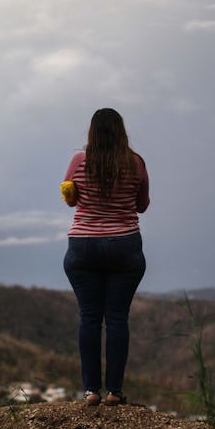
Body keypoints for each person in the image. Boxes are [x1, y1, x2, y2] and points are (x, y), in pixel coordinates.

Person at [61, 108, 150, 406]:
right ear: (121, 131)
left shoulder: (78, 160)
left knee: (89, 317)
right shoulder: (136, 162)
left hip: (83, 245)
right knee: (116, 318)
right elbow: (142, 205)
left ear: (92, 132)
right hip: (124, 245)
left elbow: (70, 198)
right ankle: (114, 391)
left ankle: (90, 391)